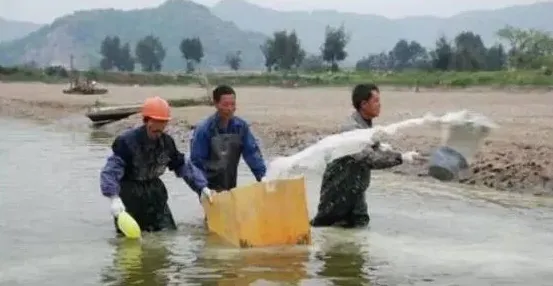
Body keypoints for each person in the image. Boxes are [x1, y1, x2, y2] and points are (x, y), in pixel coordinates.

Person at [310, 84, 424, 228]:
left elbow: (372, 147)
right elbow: (369, 158)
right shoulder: (351, 129)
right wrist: (401, 157)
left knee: (359, 226)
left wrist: (383, 148)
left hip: (355, 190)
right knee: (328, 228)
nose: (380, 105)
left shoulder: (364, 125)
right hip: (338, 192)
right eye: (376, 101)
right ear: (364, 104)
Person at [100, 96, 214, 233]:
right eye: (154, 129)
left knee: (168, 234)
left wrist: (201, 187)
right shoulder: (126, 142)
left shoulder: (167, 143)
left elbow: (183, 166)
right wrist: (113, 197)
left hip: (155, 193)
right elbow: (110, 172)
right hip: (129, 195)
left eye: (162, 126)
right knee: (132, 241)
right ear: (146, 121)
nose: (157, 134)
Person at [190, 84, 267, 192]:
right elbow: (197, 162)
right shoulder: (204, 130)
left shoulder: (241, 127)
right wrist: (202, 187)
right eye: (225, 105)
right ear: (216, 104)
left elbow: (251, 153)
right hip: (208, 185)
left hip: (230, 182)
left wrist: (262, 176)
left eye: (233, 104)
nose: (230, 109)